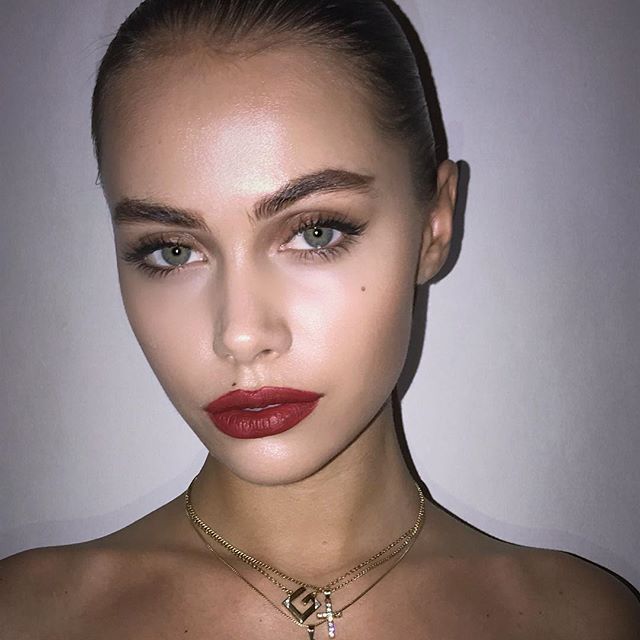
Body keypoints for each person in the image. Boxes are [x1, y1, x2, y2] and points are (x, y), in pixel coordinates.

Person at [1, 0, 638, 637]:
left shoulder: (588, 621)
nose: (240, 335)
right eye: (172, 251)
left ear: (434, 226)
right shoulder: (25, 616)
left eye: (315, 233)